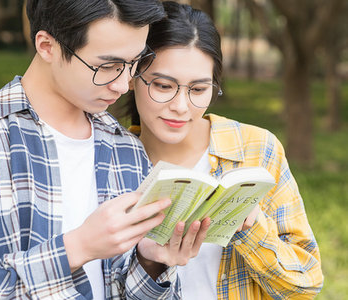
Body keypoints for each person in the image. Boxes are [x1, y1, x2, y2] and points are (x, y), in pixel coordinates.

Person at [0, 1, 211, 299]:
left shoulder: (126, 147)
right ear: (47, 46)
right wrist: (77, 247)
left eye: (134, 63)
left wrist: (149, 261)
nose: (123, 84)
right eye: (108, 66)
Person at [126, 1, 324, 299]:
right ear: (131, 76)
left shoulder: (257, 150)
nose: (181, 107)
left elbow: (305, 285)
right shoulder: (110, 157)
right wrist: (150, 261)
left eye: (198, 89)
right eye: (164, 86)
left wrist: (251, 227)